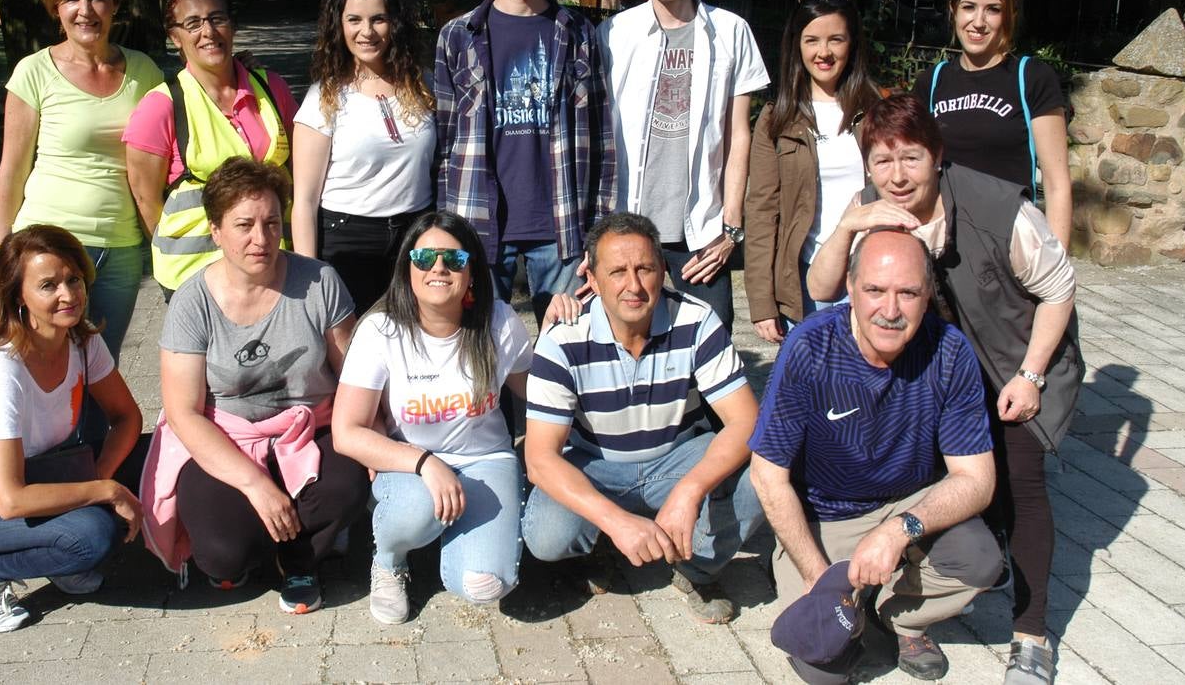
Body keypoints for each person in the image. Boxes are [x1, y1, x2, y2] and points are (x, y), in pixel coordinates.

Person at [807, 95, 1082, 685]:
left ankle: (1031, 635)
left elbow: (1060, 289)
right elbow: (823, 287)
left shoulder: (999, 207)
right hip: (936, 375)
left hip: (1014, 364)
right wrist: (849, 225)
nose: (897, 176)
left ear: (937, 157)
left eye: (911, 158)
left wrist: (1031, 376)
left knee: (1020, 489)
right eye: (882, 162)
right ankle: (914, 616)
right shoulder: (871, 206)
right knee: (936, 491)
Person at [750, 228, 1002, 682]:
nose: (890, 310)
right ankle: (844, 594)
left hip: (907, 502)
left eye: (908, 293)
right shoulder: (810, 346)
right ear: (849, 287)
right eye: (875, 290)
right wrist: (817, 577)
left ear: (927, 295)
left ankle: (900, 616)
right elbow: (768, 475)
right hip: (827, 516)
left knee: (980, 559)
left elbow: (977, 479)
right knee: (823, 667)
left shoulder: (950, 351)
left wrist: (897, 530)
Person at [140, 157, 367, 614]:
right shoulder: (192, 302)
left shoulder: (319, 281)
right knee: (224, 556)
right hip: (226, 434)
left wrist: (374, 438)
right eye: (243, 224)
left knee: (348, 484)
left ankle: (299, 557)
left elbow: (356, 376)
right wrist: (255, 486)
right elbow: (183, 411)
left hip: (310, 427)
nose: (260, 239)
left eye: (271, 223)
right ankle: (263, 535)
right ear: (216, 229)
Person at [521, 212, 763, 624]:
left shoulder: (697, 319)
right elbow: (540, 458)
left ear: (662, 270)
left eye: (645, 268)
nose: (633, 285)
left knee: (762, 478)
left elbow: (746, 422)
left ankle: (695, 567)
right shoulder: (563, 336)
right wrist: (614, 520)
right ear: (593, 280)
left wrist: (690, 491)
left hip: (676, 460)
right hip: (596, 466)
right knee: (546, 535)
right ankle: (602, 544)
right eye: (617, 272)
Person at [0, 225, 144, 633]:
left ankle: (60, 555)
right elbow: (10, 500)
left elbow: (127, 416)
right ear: (17, 296)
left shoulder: (81, 339)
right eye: (48, 285)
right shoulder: (2, 370)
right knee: (89, 537)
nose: (68, 295)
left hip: (40, 468)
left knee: (156, 457)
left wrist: (99, 475)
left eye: (73, 279)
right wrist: (102, 491)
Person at [333, 210, 532, 624]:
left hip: (486, 461)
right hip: (409, 465)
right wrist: (425, 463)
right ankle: (390, 560)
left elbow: (537, 395)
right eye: (424, 259)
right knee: (417, 510)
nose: (438, 268)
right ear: (408, 268)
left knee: (484, 584)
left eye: (454, 260)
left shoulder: (499, 323)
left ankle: (457, 536)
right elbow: (346, 432)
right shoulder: (381, 331)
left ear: (471, 270)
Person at [433, 0, 615, 324]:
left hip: (562, 228)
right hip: (477, 222)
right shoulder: (458, 37)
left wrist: (601, 229)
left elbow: (602, 138)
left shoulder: (577, 33)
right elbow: (442, 144)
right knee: (481, 353)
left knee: (568, 354)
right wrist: (444, 227)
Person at [598, 0, 770, 330]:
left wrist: (731, 229)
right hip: (629, 230)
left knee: (712, 361)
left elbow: (738, 135)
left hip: (702, 234)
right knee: (629, 354)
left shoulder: (731, 32)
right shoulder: (612, 35)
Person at [0, 0, 163, 361]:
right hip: (47, 248)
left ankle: (97, 431)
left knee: (101, 367)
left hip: (121, 248)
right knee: (43, 369)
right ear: (56, 7)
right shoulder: (33, 71)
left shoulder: (144, 72)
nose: (85, 10)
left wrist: (237, 69)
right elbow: (11, 172)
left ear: (116, 4)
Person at [124, 0, 298, 297]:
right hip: (196, 277)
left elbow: (300, 169)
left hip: (273, 263)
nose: (208, 31)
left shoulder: (272, 88)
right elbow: (146, 200)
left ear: (232, 26)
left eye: (217, 19)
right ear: (174, 37)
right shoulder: (162, 105)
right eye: (193, 23)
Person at [292, 0, 437, 315]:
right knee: (352, 354)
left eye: (378, 19)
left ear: (395, 23)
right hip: (346, 242)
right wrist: (304, 278)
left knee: (411, 343)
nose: (366, 32)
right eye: (354, 20)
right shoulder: (323, 98)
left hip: (414, 236)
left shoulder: (424, 86)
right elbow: (305, 202)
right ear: (338, 26)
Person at [745, 0, 879, 343]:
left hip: (870, 275)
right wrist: (762, 303)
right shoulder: (777, 120)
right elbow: (761, 211)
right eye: (812, 40)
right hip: (802, 284)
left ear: (852, 43)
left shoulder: (878, 111)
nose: (824, 52)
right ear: (797, 45)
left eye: (836, 39)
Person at [912, 0, 1072, 248]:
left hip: (1010, 247)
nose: (978, 22)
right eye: (969, 7)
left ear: (1009, 14)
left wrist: (1056, 267)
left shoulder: (1032, 78)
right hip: (944, 249)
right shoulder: (930, 83)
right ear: (953, 10)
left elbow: (1056, 183)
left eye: (993, 10)